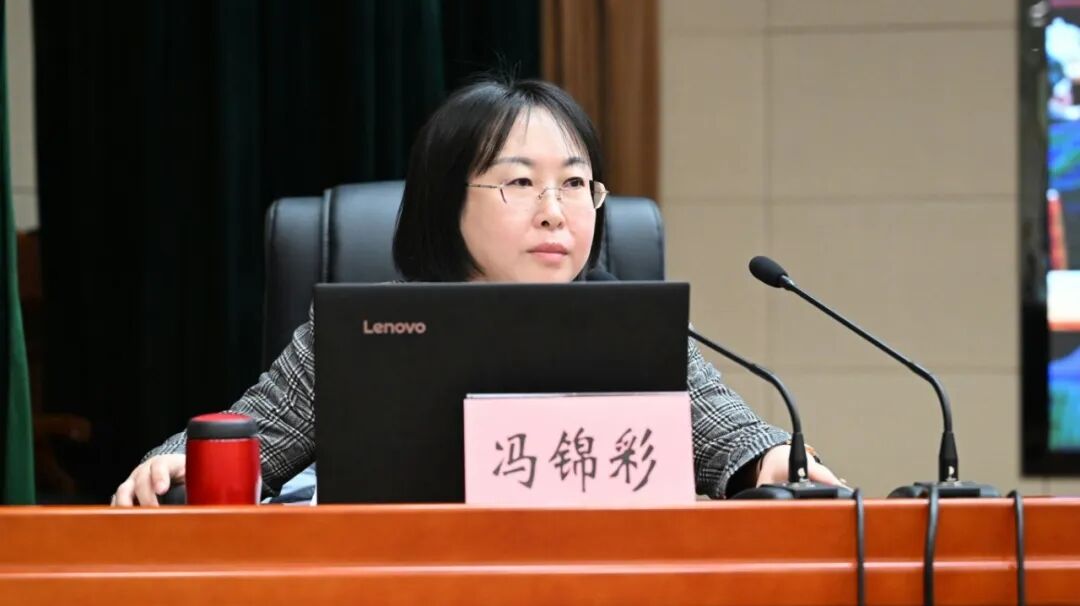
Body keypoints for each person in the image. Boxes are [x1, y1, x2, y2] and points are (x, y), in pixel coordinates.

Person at [111, 78, 842, 506]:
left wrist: (780, 465)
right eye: (520, 182)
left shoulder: (630, 325)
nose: (555, 211)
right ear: (446, 203)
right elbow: (245, 439)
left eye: (576, 183)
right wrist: (171, 462)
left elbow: (734, 440)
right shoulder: (365, 332)